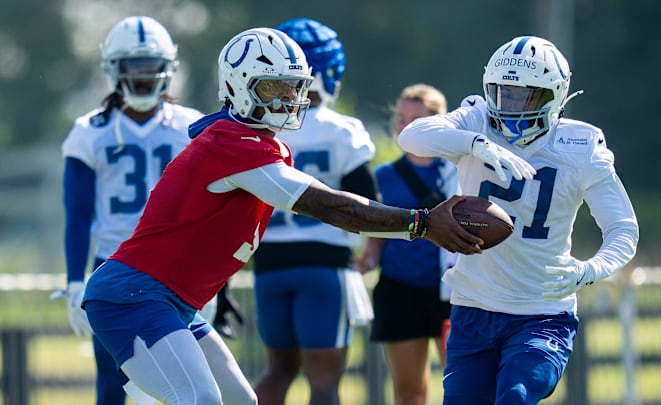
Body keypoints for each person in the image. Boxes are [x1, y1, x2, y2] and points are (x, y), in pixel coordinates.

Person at [78, 27, 514, 405]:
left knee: (240, 398)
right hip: (133, 296)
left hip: (174, 302)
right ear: (240, 86)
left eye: (293, 88)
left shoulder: (249, 141)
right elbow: (330, 205)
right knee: (200, 399)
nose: (288, 99)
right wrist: (421, 223)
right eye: (273, 89)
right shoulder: (233, 144)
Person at [397, 35, 640, 404]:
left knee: (515, 396)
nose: (512, 105)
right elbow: (411, 136)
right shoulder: (477, 117)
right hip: (473, 306)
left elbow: (622, 228)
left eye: (528, 95)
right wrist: (474, 143)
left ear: (555, 95)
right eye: (504, 93)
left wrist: (588, 270)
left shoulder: (581, 146)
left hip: (541, 313)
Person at [61, 15, 216, 405]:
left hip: (176, 270)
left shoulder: (193, 126)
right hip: (112, 266)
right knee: (113, 382)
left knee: (187, 384)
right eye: (133, 67)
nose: (143, 77)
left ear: (169, 68)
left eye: (151, 67)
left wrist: (217, 278)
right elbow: (77, 212)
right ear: (114, 70)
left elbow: (214, 207)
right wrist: (75, 280)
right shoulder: (89, 131)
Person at [251, 18, 377, 405]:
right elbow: (366, 203)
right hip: (323, 264)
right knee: (324, 382)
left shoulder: (260, 127)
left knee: (278, 370)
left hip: (268, 262)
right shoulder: (343, 130)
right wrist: (372, 251)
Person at [355, 83, 457, 405]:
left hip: (453, 293)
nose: (404, 127)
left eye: (415, 119)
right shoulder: (383, 175)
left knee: (463, 388)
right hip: (400, 289)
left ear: (436, 123)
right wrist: (364, 262)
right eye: (400, 119)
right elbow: (375, 240)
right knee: (410, 393)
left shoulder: (460, 170)